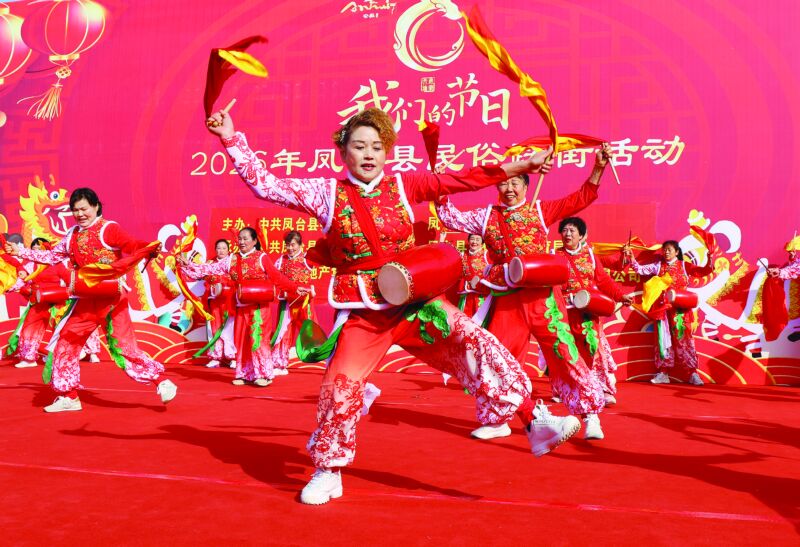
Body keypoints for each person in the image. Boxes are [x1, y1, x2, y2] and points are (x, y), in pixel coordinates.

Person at [206, 105, 579, 506]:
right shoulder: (325, 193)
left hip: (417, 304)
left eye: (376, 146)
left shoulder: (404, 185)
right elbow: (266, 185)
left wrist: (521, 165)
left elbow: (462, 179)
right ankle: (328, 471)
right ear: (343, 151)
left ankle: (535, 421)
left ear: (387, 151)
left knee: (478, 343)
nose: (368, 154)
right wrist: (230, 138)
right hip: (366, 312)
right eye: (359, 146)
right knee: (341, 385)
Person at [435, 144, 613, 438]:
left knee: (564, 353)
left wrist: (598, 168)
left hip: (543, 298)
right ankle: (498, 420)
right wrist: (441, 187)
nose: (508, 189)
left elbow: (579, 198)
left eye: (515, 183)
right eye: (503, 183)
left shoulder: (540, 211)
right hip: (506, 299)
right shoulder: (486, 216)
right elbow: (449, 217)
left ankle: (590, 415)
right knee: (500, 358)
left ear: (526, 186)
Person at [4, 188, 177, 413]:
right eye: (75, 210)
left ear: (96, 206)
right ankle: (69, 396)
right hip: (86, 298)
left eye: (84, 209)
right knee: (66, 342)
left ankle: (161, 381)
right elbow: (52, 256)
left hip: (111, 297)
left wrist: (147, 247)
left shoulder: (108, 229)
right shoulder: (72, 235)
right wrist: (20, 252)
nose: (80, 214)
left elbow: (130, 244)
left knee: (123, 346)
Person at [179, 228, 309, 386]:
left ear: (254, 241)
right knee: (242, 340)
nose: (241, 242)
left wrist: (295, 288)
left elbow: (277, 277)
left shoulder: (261, 257)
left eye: (246, 239)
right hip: (241, 306)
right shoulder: (232, 259)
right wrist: (189, 264)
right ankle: (244, 373)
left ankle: (264, 375)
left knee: (258, 340)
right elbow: (209, 269)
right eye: (240, 239)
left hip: (259, 307)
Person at [555, 217, 632, 435]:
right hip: (564, 316)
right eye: (564, 230)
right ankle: (576, 405)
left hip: (589, 314)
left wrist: (621, 295)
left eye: (572, 230)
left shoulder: (589, 255)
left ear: (582, 235)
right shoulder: (555, 257)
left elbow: (604, 280)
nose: (567, 234)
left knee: (593, 354)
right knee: (569, 359)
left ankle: (597, 397)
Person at [624, 240, 712, 385]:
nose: (666, 252)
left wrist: (709, 259)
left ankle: (692, 373)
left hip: (681, 310)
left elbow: (703, 272)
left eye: (669, 249)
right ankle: (663, 373)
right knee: (662, 340)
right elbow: (640, 269)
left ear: (676, 252)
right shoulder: (658, 265)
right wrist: (631, 257)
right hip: (662, 310)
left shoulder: (684, 265)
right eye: (664, 250)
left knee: (685, 341)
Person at [7, 237, 102, 368]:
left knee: (69, 327)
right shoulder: (30, 266)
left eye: (39, 249)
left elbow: (70, 280)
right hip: (40, 301)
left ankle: (90, 353)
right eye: (34, 249)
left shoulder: (57, 264)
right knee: (30, 327)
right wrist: (7, 287)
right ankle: (28, 358)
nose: (37, 252)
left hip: (59, 301)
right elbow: (20, 281)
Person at [271, 231, 316, 376]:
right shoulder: (281, 260)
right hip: (287, 303)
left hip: (304, 303)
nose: (290, 248)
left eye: (293, 245)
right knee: (283, 332)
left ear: (300, 244)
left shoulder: (307, 258)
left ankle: (327, 361)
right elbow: (273, 277)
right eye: (288, 245)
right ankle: (279, 364)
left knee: (311, 333)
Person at [202, 239, 237, 368]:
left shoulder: (233, 262)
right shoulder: (210, 264)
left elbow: (236, 278)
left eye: (224, 248)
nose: (221, 251)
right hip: (215, 301)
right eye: (218, 248)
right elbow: (204, 277)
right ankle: (216, 357)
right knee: (214, 327)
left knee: (230, 328)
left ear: (228, 250)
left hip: (229, 301)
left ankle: (232, 357)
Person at [457, 234, 490, 317]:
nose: (474, 242)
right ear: (468, 241)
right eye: (472, 239)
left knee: (481, 321)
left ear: (482, 243)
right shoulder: (462, 255)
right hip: (467, 296)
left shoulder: (487, 255)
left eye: (477, 240)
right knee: (465, 320)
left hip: (483, 295)